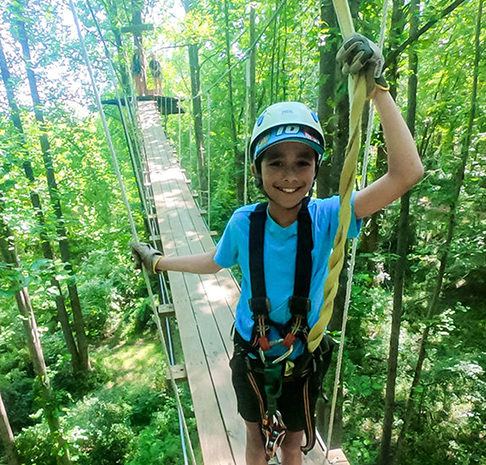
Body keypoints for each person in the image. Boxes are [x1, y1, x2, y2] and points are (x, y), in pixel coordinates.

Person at [131, 34, 423, 465]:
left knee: (291, 443)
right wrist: (159, 262)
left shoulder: (330, 218)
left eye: (302, 162)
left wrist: (375, 87)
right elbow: (213, 263)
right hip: (251, 350)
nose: (290, 175)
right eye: (276, 162)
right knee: (254, 439)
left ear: (316, 168)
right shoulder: (243, 223)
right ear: (258, 169)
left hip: (301, 355)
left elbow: (406, 172)